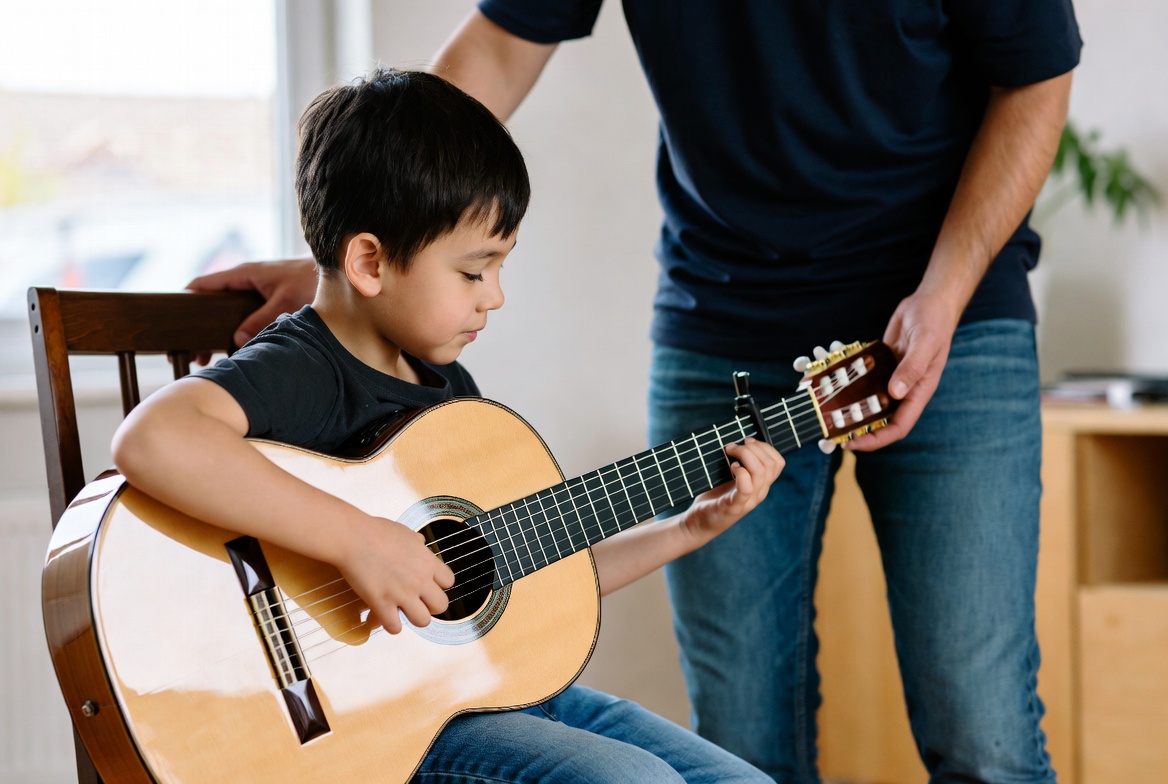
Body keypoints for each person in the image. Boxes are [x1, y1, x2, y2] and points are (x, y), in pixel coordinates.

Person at [191, 3, 1082, 781]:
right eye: (476, 271)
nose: (492, 296)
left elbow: (1037, 78)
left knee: (987, 733)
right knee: (743, 732)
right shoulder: (343, 349)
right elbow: (496, 52)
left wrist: (948, 289)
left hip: (943, 308)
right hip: (725, 312)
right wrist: (354, 239)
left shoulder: (446, 382)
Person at [115, 68, 784, 783]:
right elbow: (153, 439)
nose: (494, 297)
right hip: (380, 729)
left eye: (500, 267)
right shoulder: (302, 364)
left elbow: (528, 574)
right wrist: (359, 540)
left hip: (490, 697)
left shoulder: (449, 396)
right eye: (474, 272)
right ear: (370, 262)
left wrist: (687, 529)